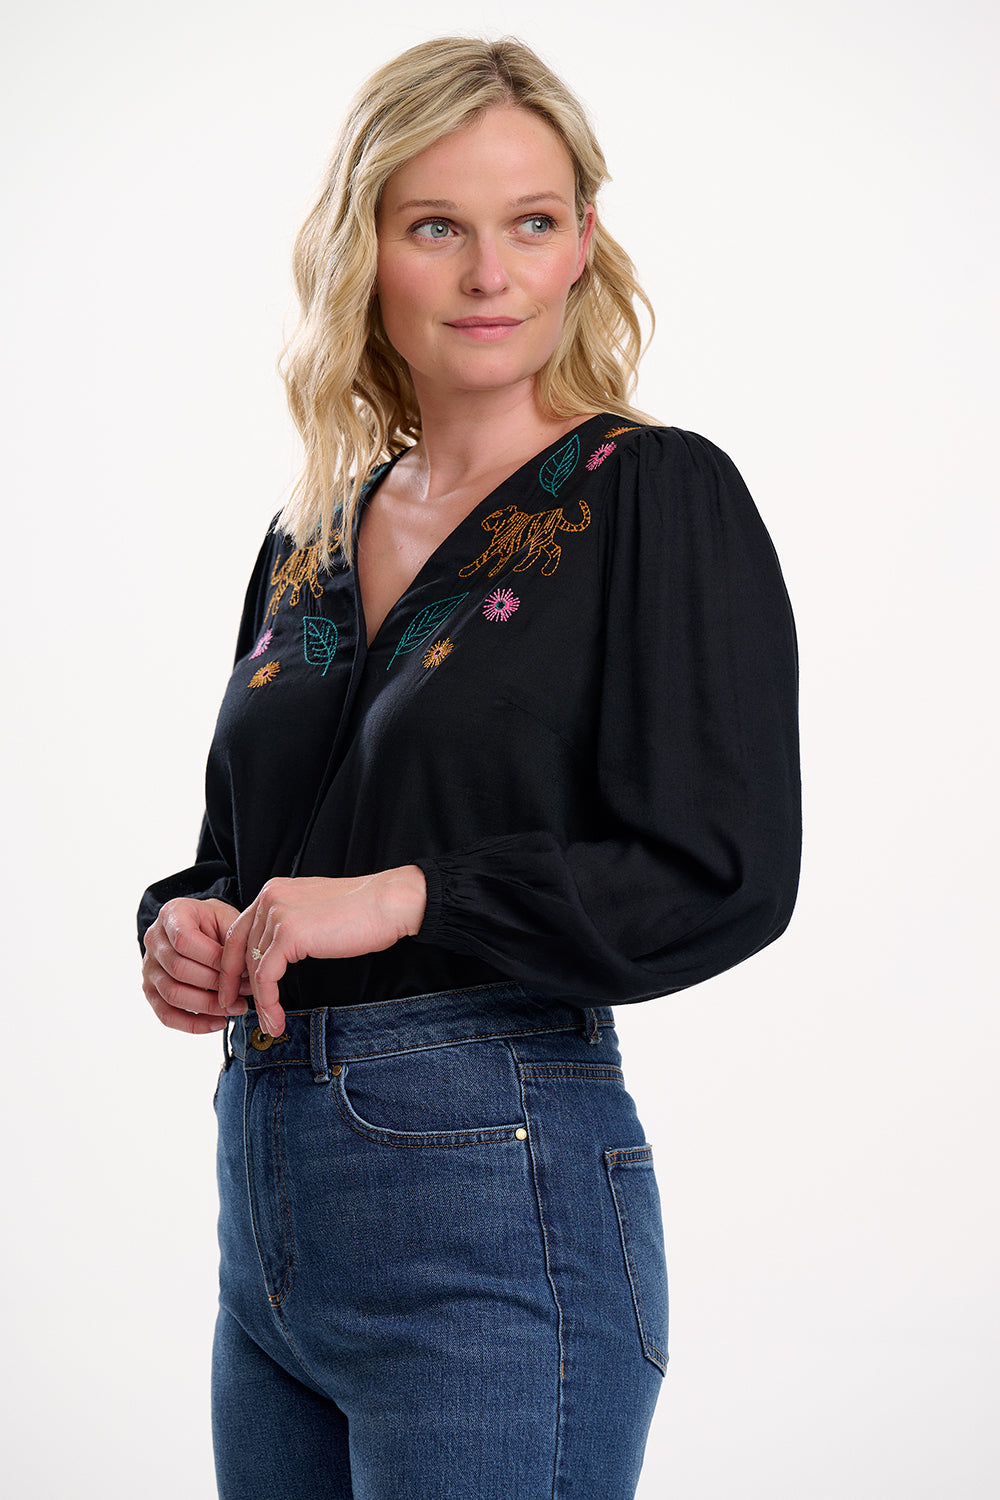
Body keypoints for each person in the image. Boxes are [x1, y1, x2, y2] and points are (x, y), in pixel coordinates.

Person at [139, 35, 800, 1500]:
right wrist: (186, 924)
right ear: (365, 250)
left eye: (533, 221)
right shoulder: (308, 535)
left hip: (494, 1201)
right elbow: (250, 858)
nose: (491, 273)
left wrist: (405, 898)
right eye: (438, 225)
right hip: (268, 1226)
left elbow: (723, 869)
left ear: (583, 245)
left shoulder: (653, 497)